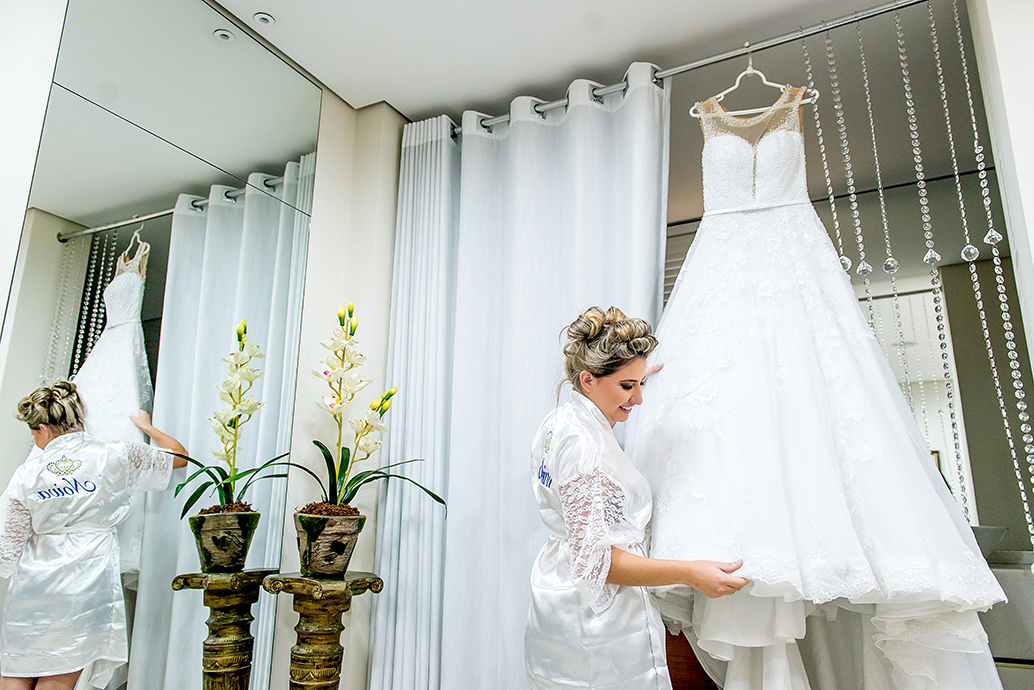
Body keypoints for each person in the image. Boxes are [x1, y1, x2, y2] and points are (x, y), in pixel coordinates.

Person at [524, 306, 748, 690]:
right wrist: (690, 572)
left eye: (641, 383)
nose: (639, 398)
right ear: (588, 379)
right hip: (597, 628)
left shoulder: (561, 418)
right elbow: (599, 564)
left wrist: (632, 382)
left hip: (555, 597)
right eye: (629, 386)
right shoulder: (583, 445)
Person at [0, 381, 187, 690]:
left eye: (33, 433)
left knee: (15, 671)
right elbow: (179, 457)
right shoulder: (113, 455)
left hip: (32, 586)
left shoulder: (27, 473)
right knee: (59, 674)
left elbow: (8, 543)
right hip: (84, 579)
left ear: (43, 428)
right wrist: (146, 427)